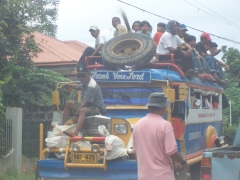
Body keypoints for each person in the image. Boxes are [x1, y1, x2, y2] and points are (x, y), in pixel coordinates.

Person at [133, 92, 189, 180]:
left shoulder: (137, 125)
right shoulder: (165, 125)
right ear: (163, 107)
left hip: (143, 176)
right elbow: (171, 152)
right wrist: (183, 162)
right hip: (162, 176)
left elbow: (136, 152)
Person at [61, 66, 106, 137]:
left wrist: (76, 115)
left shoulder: (91, 85)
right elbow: (78, 87)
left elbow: (85, 103)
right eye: (79, 76)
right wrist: (68, 84)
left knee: (82, 111)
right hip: (89, 106)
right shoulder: (85, 82)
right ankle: (62, 126)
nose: (81, 78)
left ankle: (75, 132)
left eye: (83, 76)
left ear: (88, 74)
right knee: (69, 103)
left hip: (97, 108)